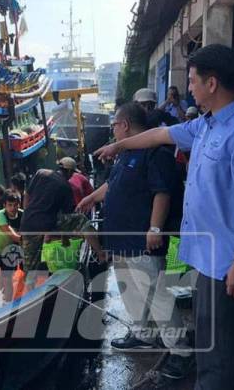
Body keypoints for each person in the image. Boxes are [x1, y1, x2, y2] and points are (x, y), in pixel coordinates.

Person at [96, 44, 234, 390]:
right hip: (205, 255)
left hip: (226, 258)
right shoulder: (204, 126)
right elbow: (160, 134)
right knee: (207, 339)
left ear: (211, 83)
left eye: (192, 81)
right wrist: (119, 146)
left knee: (217, 348)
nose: (187, 88)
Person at [77, 103, 188, 364]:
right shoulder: (126, 152)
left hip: (141, 239)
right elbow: (112, 184)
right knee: (131, 290)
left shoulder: (155, 154)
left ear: (125, 124)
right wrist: (92, 198)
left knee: (156, 293)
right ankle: (143, 334)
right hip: (119, 239)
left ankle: (180, 349)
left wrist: (155, 228)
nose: (113, 130)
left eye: (114, 125)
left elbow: (162, 193)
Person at [20, 162, 102, 289]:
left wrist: (27, 213)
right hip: (49, 223)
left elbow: (27, 195)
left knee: (30, 269)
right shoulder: (65, 186)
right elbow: (67, 214)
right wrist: (64, 239)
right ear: (69, 172)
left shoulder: (40, 172)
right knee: (81, 221)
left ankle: (30, 296)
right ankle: (101, 254)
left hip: (28, 224)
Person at [0, 189, 23, 301]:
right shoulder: (0, 215)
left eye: (15, 205)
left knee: (8, 280)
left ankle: (8, 305)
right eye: (9, 205)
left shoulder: (23, 215)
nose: (12, 208)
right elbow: (12, 235)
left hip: (9, 253)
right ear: (4, 205)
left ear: (19, 205)